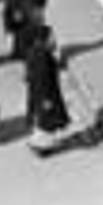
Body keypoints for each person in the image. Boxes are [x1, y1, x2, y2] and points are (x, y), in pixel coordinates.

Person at [24, 25, 71, 157]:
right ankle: (42, 147)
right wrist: (46, 99)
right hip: (45, 93)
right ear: (44, 38)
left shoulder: (36, 51)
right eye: (52, 36)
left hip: (39, 93)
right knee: (46, 122)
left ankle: (40, 144)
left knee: (43, 120)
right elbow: (43, 77)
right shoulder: (41, 54)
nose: (54, 38)